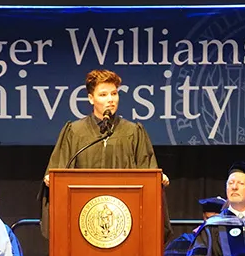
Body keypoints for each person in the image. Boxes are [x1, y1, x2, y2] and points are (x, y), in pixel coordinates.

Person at [38, 68, 171, 240]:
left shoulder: (133, 132)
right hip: (81, 223)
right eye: (103, 95)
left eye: (114, 93)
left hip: (126, 223)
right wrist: (51, 180)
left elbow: (148, 173)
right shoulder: (74, 131)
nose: (110, 100)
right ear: (91, 98)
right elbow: (58, 172)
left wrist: (158, 180)